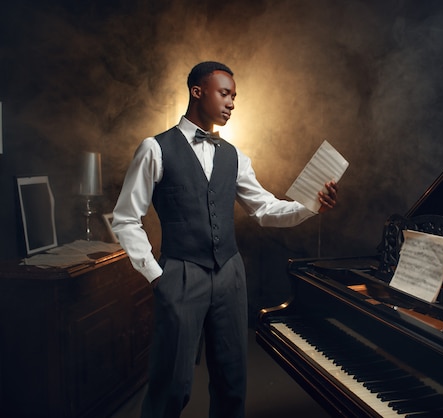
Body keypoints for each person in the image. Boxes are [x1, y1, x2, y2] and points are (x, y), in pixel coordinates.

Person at [111, 61, 338, 418]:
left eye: (235, 96)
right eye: (225, 93)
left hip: (231, 274)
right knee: (172, 385)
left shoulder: (234, 156)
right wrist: (157, 276)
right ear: (197, 92)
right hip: (181, 274)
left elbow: (264, 208)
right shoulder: (154, 149)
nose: (232, 102)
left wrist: (311, 207)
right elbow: (125, 218)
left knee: (232, 383)